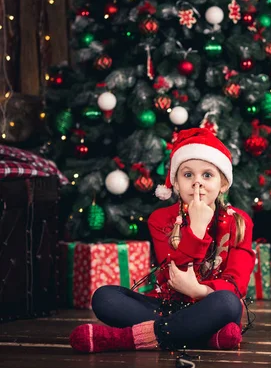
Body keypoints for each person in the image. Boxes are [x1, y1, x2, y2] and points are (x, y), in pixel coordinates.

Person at [69, 128, 256, 353]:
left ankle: (128, 339)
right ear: (176, 183)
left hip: (212, 305)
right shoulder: (161, 219)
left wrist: (198, 291)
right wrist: (196, 229)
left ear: (223, 184)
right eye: (188, 175)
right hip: (167, 306)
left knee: (228, 303)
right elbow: (175, 273)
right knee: (104, 298)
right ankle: (203, 336)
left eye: (207, 175)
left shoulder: (240, 221)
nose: (198, 183)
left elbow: (237, 284)